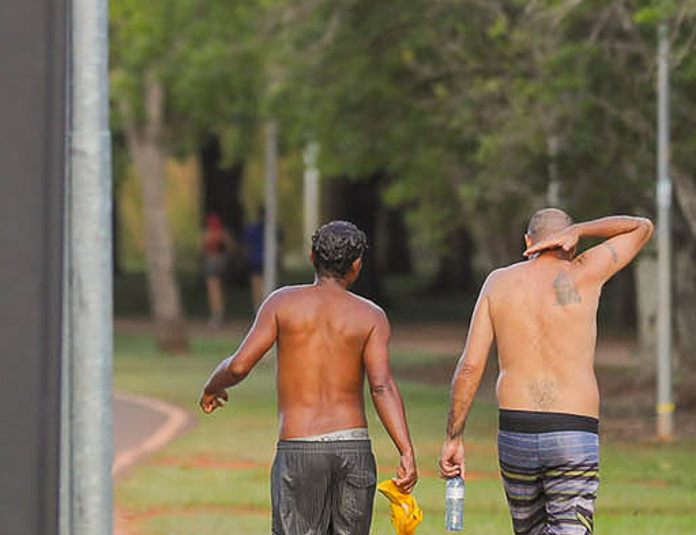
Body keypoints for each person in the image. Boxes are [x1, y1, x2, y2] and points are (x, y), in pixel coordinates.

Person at [440, 208, 654, 535]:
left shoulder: (498, 283)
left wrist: (454, 437)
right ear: (568, 242)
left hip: (516, 432)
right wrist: (583, 229)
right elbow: (641, 227)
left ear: (528, 241)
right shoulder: (587, 271)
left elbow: (470, 367)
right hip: (573, 432)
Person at [200, 220, 418, 535]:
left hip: (299, 448)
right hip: (353, 448)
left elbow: (239, 366)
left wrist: (213, 386)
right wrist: (406, 450)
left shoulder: (281, 303)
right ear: (356, 266)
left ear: (312, 258)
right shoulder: (371, 316)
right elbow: (382, 387)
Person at [201, 213, 236, 326]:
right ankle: (219, 312)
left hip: (213, 261)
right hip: (223, 261)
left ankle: (217, 314)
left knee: (213, 289)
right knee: (219, 289)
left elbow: (204, 248)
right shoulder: (223, 233)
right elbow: (232, 248)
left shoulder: (208, 234)